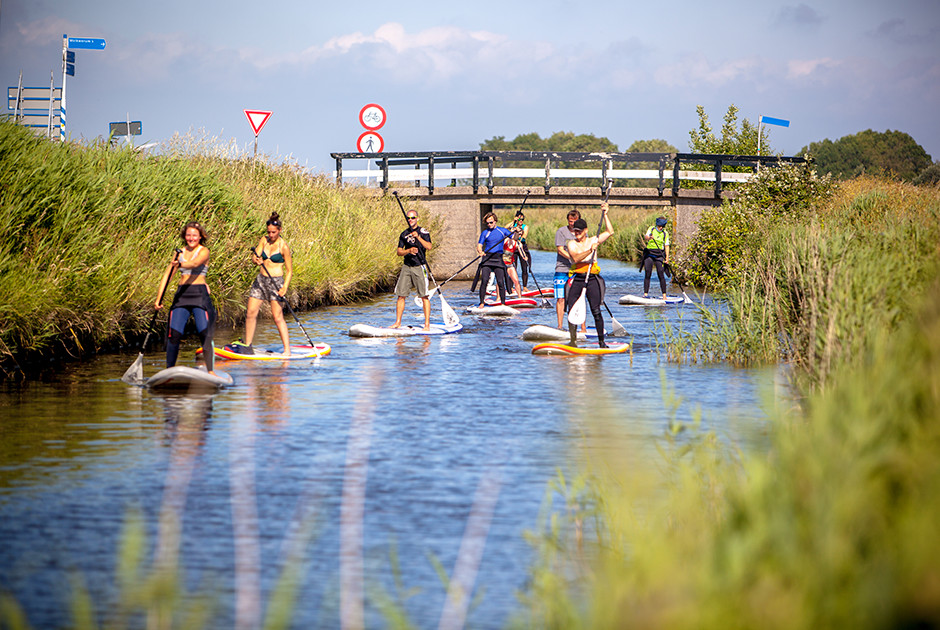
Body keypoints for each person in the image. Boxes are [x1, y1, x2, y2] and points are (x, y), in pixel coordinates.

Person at [154, 221, 217, 374]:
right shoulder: (179, 252)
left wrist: (179, 264)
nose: (191, 238)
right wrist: (158, 299)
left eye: (194, 235)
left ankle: (210, 371)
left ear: (200, 236)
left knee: (204, 333)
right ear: (184, 236)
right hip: (182, 295)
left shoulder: (204, 251)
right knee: (174, 334)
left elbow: (194, 263)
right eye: (188, 235)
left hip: (199, 295)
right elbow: (167, 277)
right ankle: (169, 371)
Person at [242, 212, 294, 355]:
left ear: (280, 231)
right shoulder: (263, 240)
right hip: (261, 280)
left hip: (276, 283)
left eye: (274, 232)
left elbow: (289, 271)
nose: (271, 235)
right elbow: (255, 256)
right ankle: (248, 345)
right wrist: (256, 260)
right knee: (251, 312)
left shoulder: (283, 247)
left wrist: (284, 288)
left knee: (277, 317)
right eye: (269, 232)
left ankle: (287, 350)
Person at [565, 203, 614, 348]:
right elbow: (575, 258)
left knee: (596, 311)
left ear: (585, 230)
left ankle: (601, 342)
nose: (577, 234)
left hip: (592, 279)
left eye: (580, 231)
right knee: (571, 309)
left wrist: (605, 214)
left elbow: (610, 231)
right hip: (578, 279)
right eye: (575, 231)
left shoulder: (594, 239)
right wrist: (589, 251)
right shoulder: (571, 243)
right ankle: (573, 341)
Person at [392, 208, 432, 329]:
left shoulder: (423, 232)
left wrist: (418, 237)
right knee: (401, 295)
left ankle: (427, 324)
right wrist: (408, 251)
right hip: (407, 267)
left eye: (413, 218)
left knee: (424, 296)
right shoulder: (404, 234)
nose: (411, 220)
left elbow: (429, 246)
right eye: (409, 218)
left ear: (417, 219)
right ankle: (398, 322)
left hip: (419, 266)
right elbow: (399, 251)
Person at [476, 212, 513, 307]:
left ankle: (503, 303)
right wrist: (480, 252)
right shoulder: (485, 232)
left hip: (498, 259)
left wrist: (516, 231)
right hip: (487, 258)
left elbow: (515, 237)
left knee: (500, 282)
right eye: (487, 223)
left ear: (495, 221)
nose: (489, 225)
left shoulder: (502, 231)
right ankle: (481, 303)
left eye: (491, 222)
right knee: (484, 280)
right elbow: (479, 245)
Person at [554, 210, 581, 328]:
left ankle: (581, 327)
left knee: (578, 299)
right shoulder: (561, 232)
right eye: (570, 221)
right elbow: (560, 249)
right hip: (562, 269)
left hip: (577, 270)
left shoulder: (582, 232)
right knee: (561, 298)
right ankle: (560, 326)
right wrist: (572, 258)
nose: (572, 224)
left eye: (575, 221)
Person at [642, 216, 671, 299]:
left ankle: (664, 296)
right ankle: (645, 294)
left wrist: (667, 258)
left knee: (661, 274)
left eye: (662, 226)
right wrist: (649, 237)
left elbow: (667, 246)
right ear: (656, 224)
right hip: (649, 253)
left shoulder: (665, 233)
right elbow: (646, 236)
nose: (660, 228)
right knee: (648, 272)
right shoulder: (651, 229)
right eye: (659, 226)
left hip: (659, 255)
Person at [506, 211, 530, 289]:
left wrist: (519, 239)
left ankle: (525, 287)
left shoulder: (525, 226)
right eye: (519, 219)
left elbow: (524, 236)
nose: (521, 221)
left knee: (524, 267)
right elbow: (505, 228)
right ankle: (511, 287)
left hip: (522, 246)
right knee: (513, 267)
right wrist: (513, 221)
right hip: (513, 247)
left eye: (522, 219)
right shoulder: (513, 225)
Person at [502, 233, 524, 298]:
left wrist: (525, 257)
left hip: (510, 264)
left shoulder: (517, 244)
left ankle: (520, 297)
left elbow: (522, 252)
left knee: (516, 281)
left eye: (520, 235)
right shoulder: (506, 240)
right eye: (518, 235)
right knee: (500, 281)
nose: (519, 236)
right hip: (502, 264)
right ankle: (498, 298)